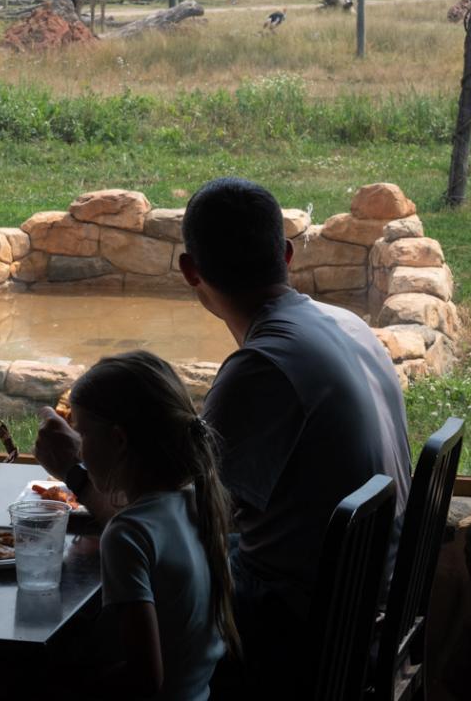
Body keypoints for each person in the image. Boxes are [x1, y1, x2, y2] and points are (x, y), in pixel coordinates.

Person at [37, 176, 410, 692]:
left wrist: (76, 469)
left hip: (301, 633)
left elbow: (176, 528)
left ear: (191, 270)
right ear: (287, 253)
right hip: (371, 608)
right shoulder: (347, 324)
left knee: (74, 647)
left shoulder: (263, 367)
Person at [69, 351, 238, 701]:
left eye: (82, 435)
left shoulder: (127, 534)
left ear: (118, 440)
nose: (80, 454)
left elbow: (145, 681)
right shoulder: (198, 500)